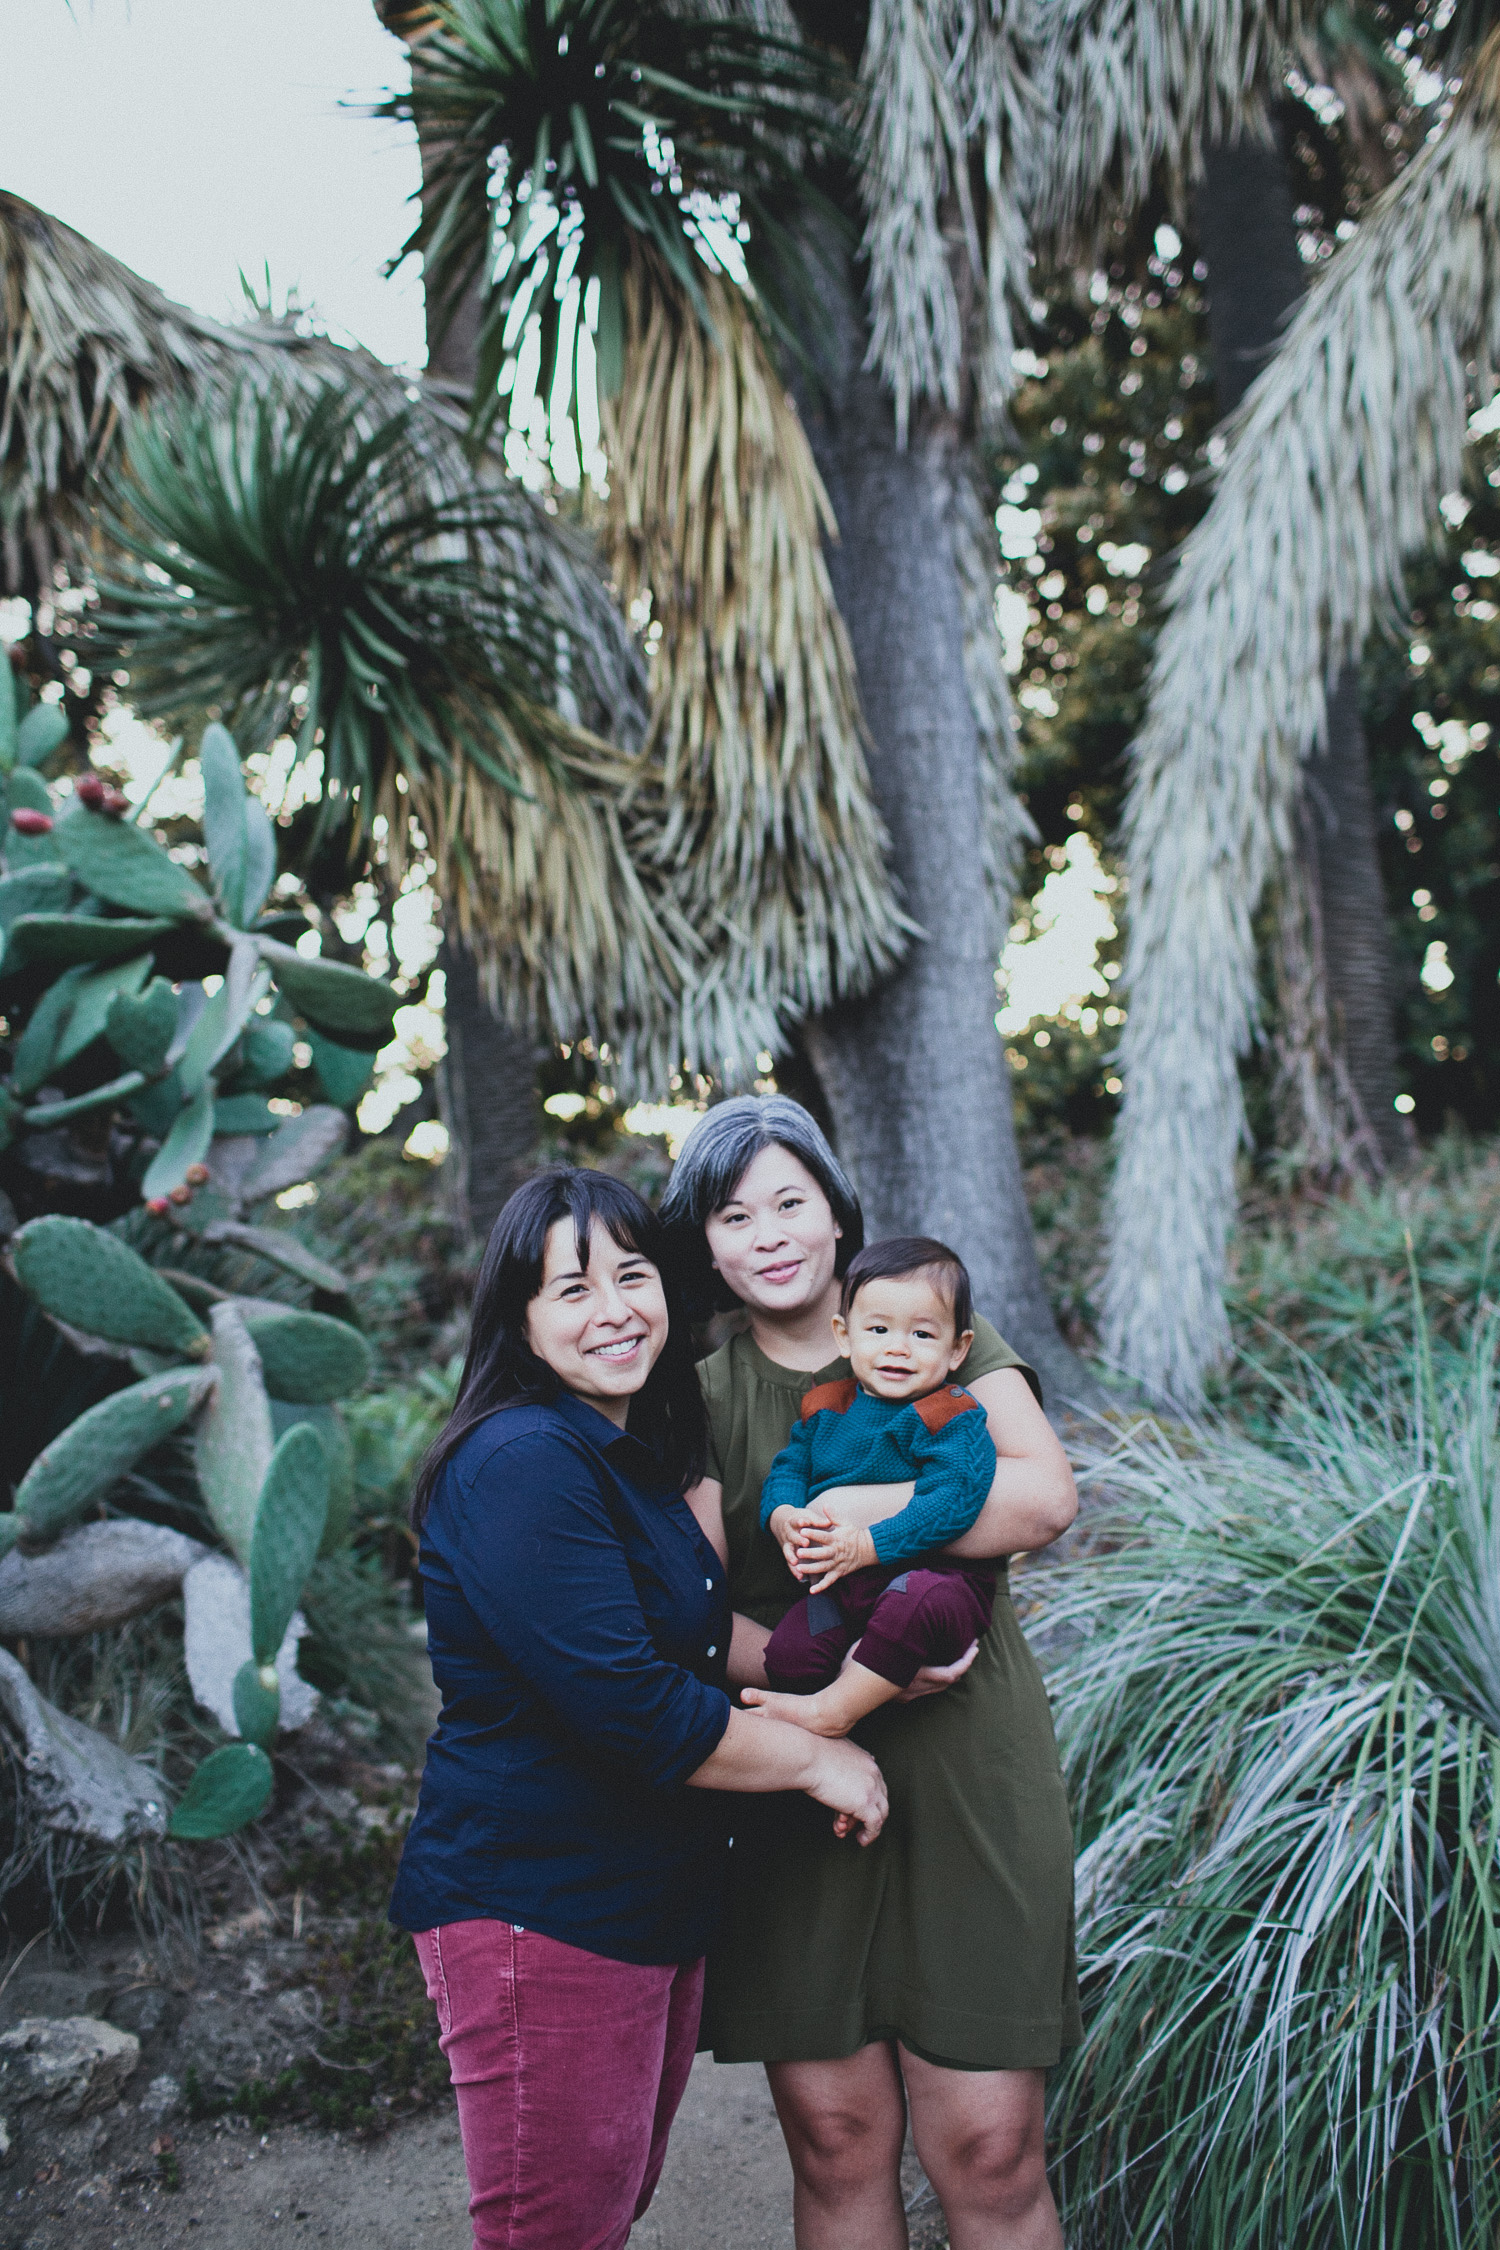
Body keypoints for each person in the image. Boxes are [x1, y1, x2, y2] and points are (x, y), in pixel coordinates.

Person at [389, 1165, 888, 2250]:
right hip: (540, 1904)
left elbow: (699, 1641)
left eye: (631, 1275)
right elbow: (636, 1706)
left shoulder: (620, 1454)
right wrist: (818, 1761)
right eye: (572, 1289)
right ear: (519, 1321)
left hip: (632, 1900)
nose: (615, 1309)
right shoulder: (522, 1460)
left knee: (599, 2211)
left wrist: (876, 1659)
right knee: (553, 2228)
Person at [660, 1099, 1080, 2250]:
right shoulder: (695, 1396)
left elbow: (1042, 1499)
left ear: (838, 1216)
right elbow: (696, 1618)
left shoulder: (941, 1334)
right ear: (705, 1245)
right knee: (838, 2138)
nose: (770, 1232)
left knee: (990, 2147)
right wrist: (844, 1681)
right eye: (734, 1214)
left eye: (792, 1201)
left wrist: (863, 1515)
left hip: (968, 1755)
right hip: (799, 1756)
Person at [741, 1235, 1001, 1738]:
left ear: (957, 1349)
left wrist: (867, 1544)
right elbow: (790, 1469)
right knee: (790, 1652)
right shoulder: (827, 1407)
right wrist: (783, 1516)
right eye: (878, 1329)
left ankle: (833, 1712)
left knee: (915, 1603)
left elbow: (952, 1500)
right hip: (847, 1591)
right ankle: (836, 1730)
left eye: (923, 1335)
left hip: (935, 1581)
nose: (897, 1348)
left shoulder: (950, 1415)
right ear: (844, 1336)